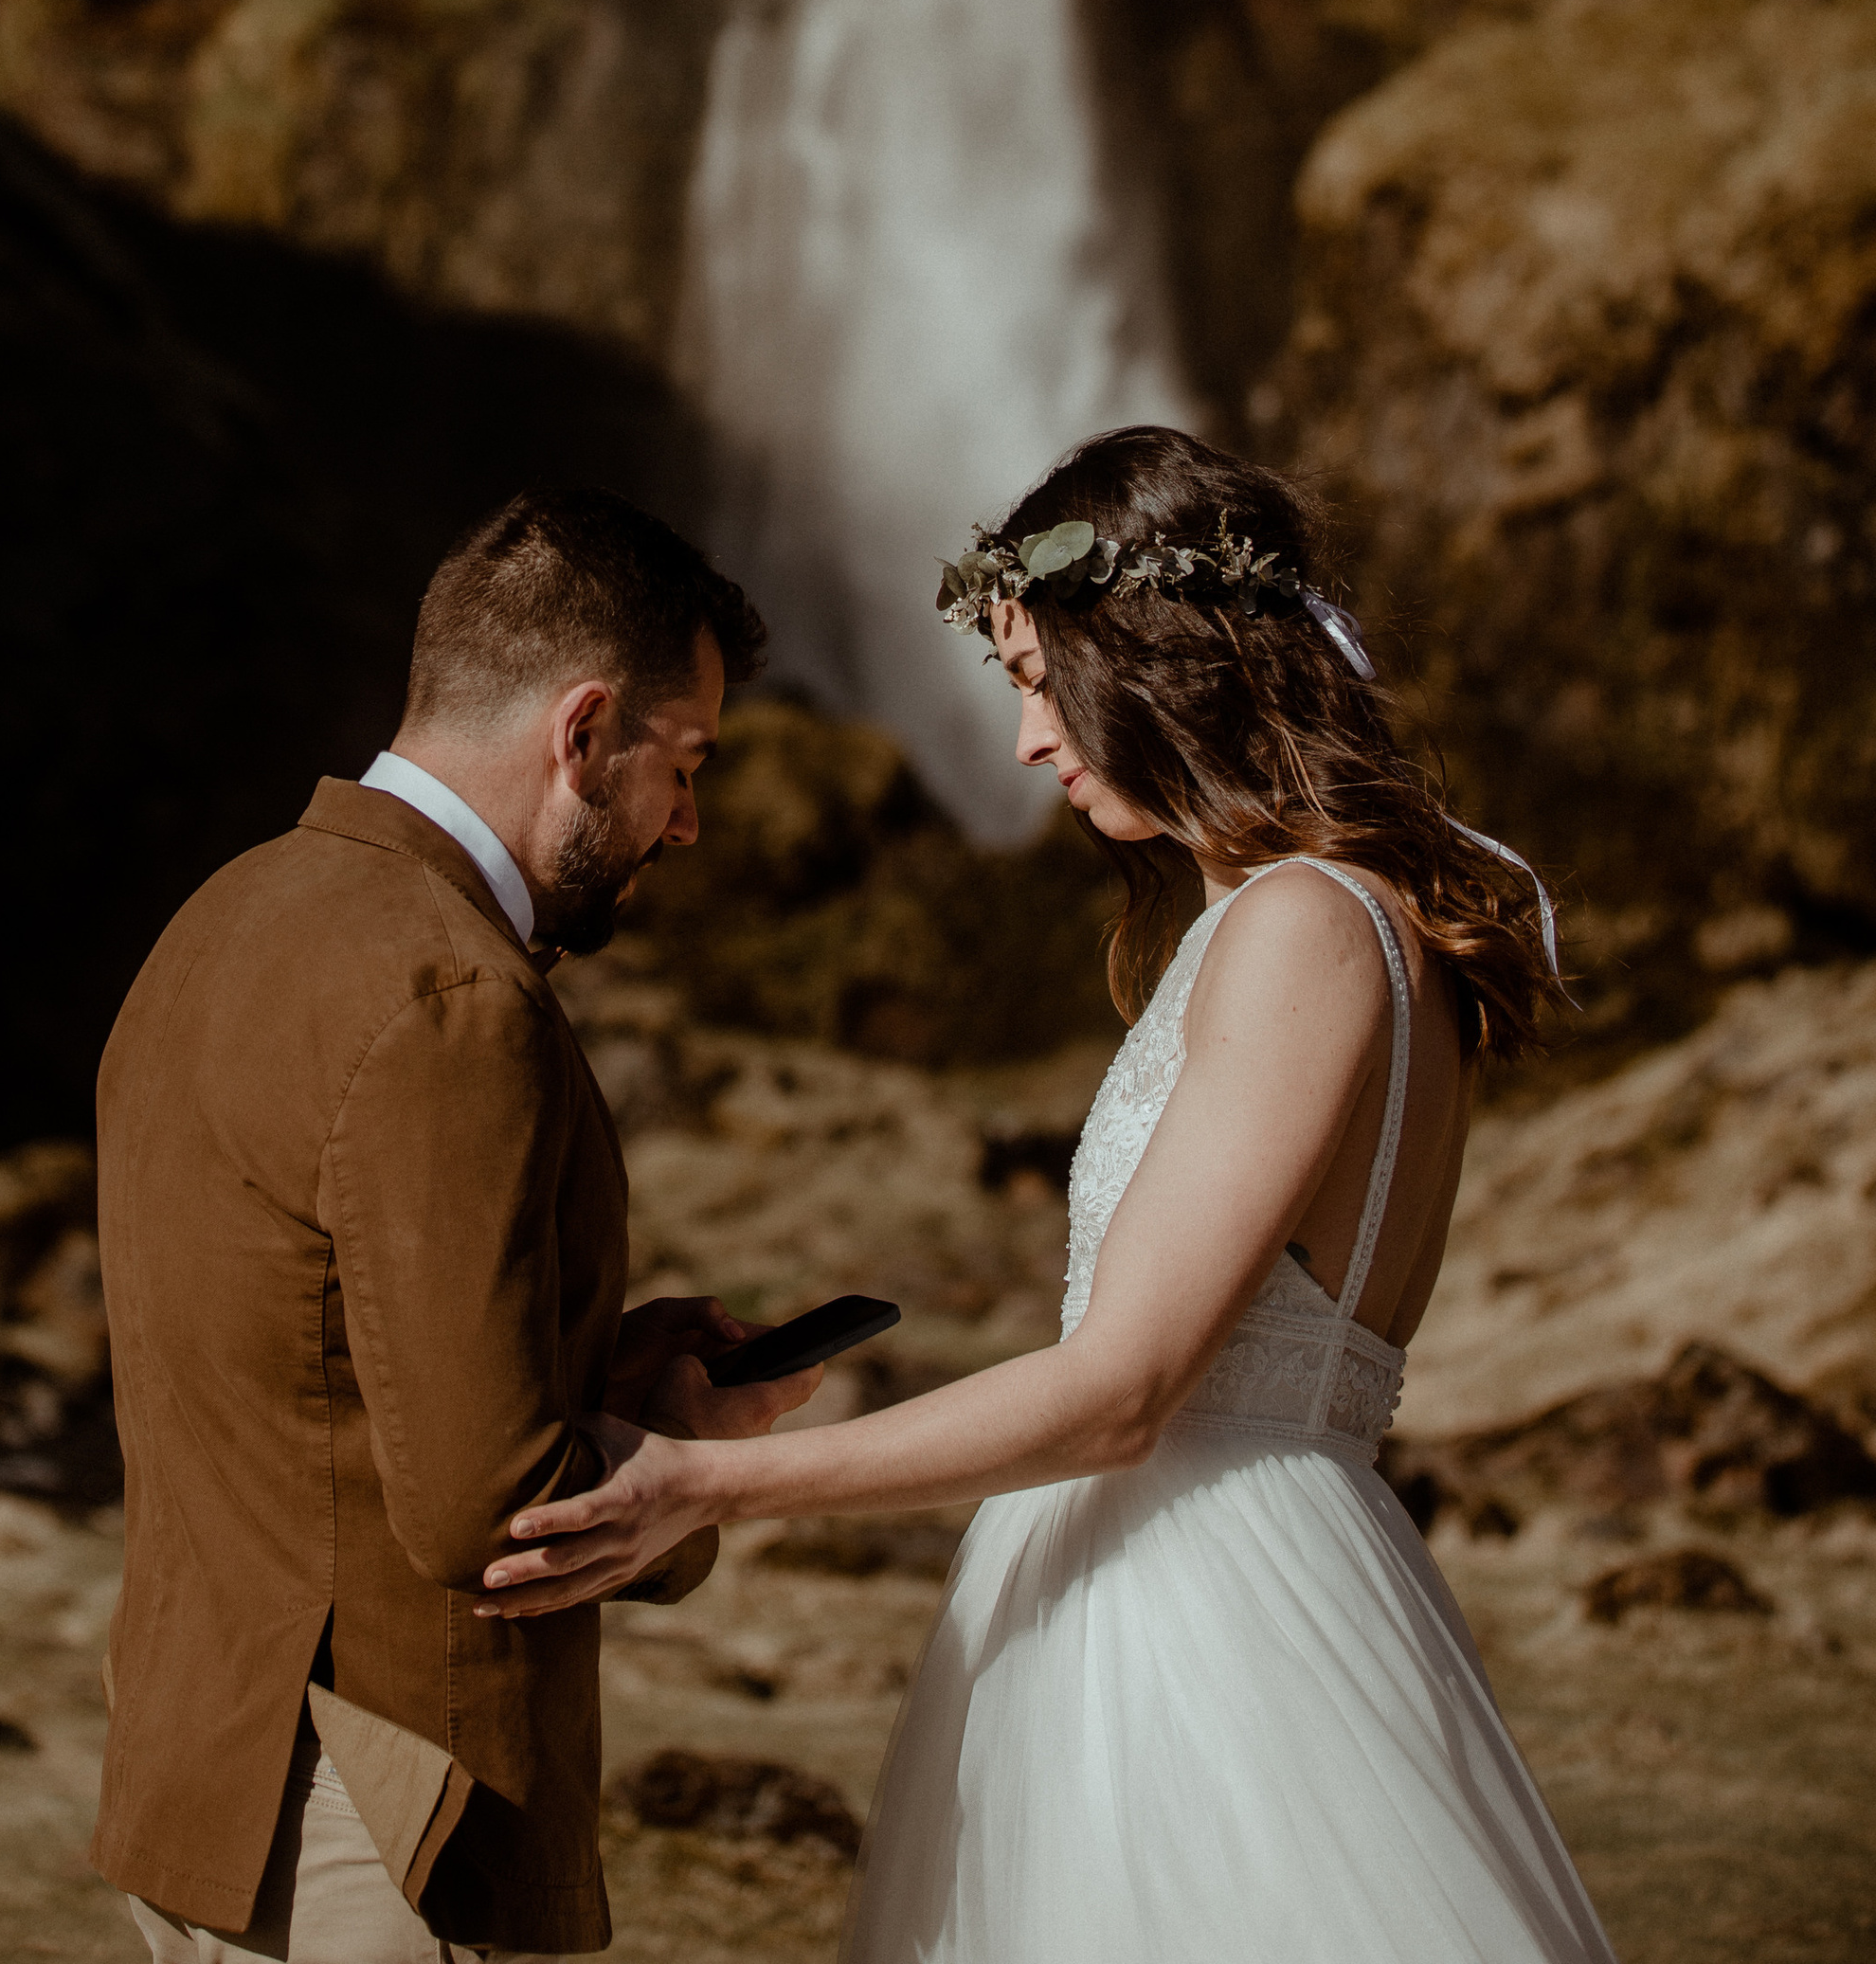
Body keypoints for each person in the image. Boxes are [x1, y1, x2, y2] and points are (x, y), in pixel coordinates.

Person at [478, 426, 1619, 1964]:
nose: (1024, 738)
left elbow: (1122, 1391)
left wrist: (703, 1485)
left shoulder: (1300, 926)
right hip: (1251, 1566)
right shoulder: (1342, 923)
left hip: (1195, 1623)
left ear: (1154, 654)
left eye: (1037, 674)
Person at [91, 485, 821, 1964]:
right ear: (583, 729)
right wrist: (693, 1463)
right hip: (391, 1822)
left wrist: (597, 1364)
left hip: (196, 1784)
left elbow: (318, 1371)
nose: (688, 823)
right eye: (683, 765)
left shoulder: (219, 916)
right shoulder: (451, 997)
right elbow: (494, 1512)